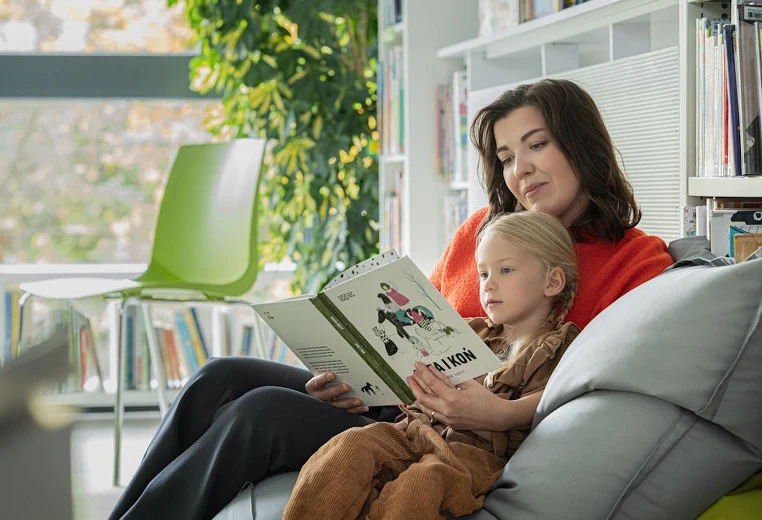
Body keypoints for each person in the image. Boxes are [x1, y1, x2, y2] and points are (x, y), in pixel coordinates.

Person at [108, 78, 672, 520]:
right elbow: (413, 331)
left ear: (581, 146)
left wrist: (498, 411)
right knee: (220, 376)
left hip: (457, 435)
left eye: (537, 145)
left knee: (259, 415)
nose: (519, 169)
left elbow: (613, 382)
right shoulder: (483, 231)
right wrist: (354, 379)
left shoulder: (636, 260)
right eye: (504, 157)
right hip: (397, 403)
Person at [282, 211, 582, 519]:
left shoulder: (557, 346)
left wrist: (495, 414)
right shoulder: (468, 330)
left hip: (473, 455)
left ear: (552, 281)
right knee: (350, 445)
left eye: (505, 270)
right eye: (483, 274)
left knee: (420, 484)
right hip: (417, 431)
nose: (489, 285)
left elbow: (551, 406)